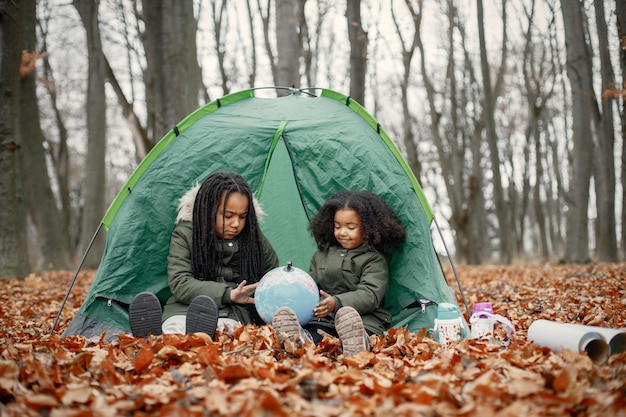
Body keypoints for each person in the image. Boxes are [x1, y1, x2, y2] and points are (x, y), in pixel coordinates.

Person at [129, 171, 279, 338]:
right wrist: (228, 293)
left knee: (222, 333)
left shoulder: (253, 238)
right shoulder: (186, 233)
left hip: (231, 314)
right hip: (184, 308)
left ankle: (171, 341)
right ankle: (154, 339)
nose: (236, 224)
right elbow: (180, 282)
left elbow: (271, 275)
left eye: (243, 216)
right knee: (176, 330)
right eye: (228, 216)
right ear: (208, 210)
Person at [272, 190, 405, 356]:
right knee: (316, 332)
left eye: (351, 227)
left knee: (353, 325)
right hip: (324, 319)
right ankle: (300, 341)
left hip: (363, 318)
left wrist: (337, 303)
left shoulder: (374, 259)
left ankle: (360, 343)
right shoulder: (322, 255)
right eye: (337, 226)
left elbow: (370, 294)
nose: (342, 232)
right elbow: (310, 287)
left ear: (369, 228)